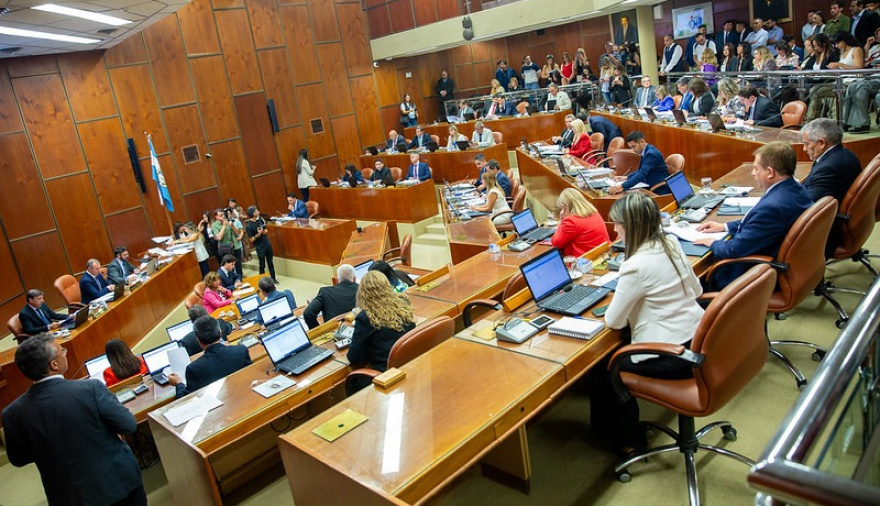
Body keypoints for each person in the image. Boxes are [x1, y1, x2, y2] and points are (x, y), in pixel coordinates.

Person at [589, 192, 703, 455]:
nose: (615, 230)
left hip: (670, 356)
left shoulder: (635, 265)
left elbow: (614, 321)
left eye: (618, 224)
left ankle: (629, 441)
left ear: (631, 226)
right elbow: (697, 290)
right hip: (696, 339)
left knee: (602, 367)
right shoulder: (671, 242)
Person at [2, 334, 146, 506]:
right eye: (62, 351)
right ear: (54, 365)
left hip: (67, 497)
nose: (65, 353)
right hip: (118, 485)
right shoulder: (90, 389)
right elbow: (128, 425)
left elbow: (18, 459)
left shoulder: (11, 414)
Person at [695, 142, 813, 288]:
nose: (753, 173)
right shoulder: (796, 189)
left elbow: (735, 249)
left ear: (770, 172)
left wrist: (713, 243)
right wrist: (725, 226)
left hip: (751, 276)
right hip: (786, 264)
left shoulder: (772, 208)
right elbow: (760, 225)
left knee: (694, 281)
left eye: (756, 168)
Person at [346, 271, 415, 393]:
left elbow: (354, 357)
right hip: (409, 366)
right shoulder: (403, 305)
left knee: (351, 383)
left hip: (386, 376)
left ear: (363, 293)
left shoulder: (365, 317)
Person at [168, 316, 251, 398]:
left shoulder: (194, 368)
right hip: (245, 395)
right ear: (220, 333)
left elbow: (187, 398)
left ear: (198, 340)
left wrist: (178, 383)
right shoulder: (241, 350)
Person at [550, 188, 611, 257]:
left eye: (562, 208)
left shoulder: (571, 221)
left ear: (565, 206)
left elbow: (556, 243)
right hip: (603, 254)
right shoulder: (594, 212)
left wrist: (561, 222)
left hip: (585, 259)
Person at [303, 264, 358, 328]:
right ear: (354, 279)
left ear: (338, 280)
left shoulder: (325, 292)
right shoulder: (363, 290)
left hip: (334, 332)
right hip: (360, 329)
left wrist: (318, 330)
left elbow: (308, 314)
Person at [245, 206, 278, 284]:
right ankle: (262, 281)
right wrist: (258, 234)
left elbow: (265, 228)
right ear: (253, 213)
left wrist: (265, 231)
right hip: (259, 246)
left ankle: (273, 278)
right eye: (256, 211)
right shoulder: (249, 226)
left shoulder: (260, 220)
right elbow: (251, 239)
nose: (258, 212)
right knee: (262, 264)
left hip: (267, 243)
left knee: (270, 262)